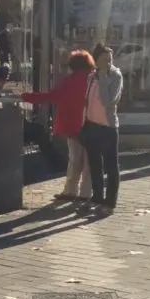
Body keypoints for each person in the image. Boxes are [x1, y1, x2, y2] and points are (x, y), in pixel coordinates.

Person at [22, 50, 93, 202]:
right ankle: (86, 193)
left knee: (74, 160)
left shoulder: (70, 81)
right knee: (88, 161)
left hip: (74, 126)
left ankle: (70, 191)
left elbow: (51, 96)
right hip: (92, 125)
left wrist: (27, 97)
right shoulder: (93, 80)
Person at [80, 44, 123, 215]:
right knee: (94, 164)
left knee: (111, 166)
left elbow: (108, 100)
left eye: (110, 59)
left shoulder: (115, 76)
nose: (108, 62)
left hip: (108, 127)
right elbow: (87, 101)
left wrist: (104, 76)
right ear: (96, 60)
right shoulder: (92, 76)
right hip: (92, 125)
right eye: (104, 59)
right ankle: (97, 197)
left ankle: (110, 202)